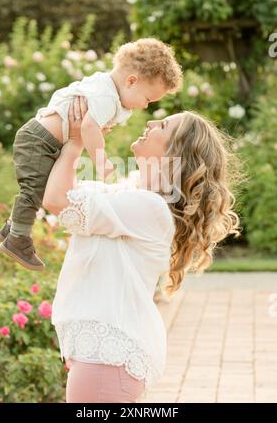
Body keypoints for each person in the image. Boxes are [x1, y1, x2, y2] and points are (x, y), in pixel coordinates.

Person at [42, 98, 241, 403]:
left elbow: (58, 201)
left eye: (162, 126)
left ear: (175, 153)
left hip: (107, 360)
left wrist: (75, 141)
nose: (150, 123)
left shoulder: (149, 208)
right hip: (102, 358)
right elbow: (61, 188)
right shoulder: (134, 195)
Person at [0, 38, 183, 271]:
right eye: (148, 99)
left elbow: (89, 125)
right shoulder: (106, 97)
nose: (145, 107)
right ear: (131, 81)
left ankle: (12, 227)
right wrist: (102, 163)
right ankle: (18, 238)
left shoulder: (104, 87)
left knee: (41, 187)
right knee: (34, 190)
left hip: (47, 140)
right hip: (40, 141)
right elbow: (87, 128)